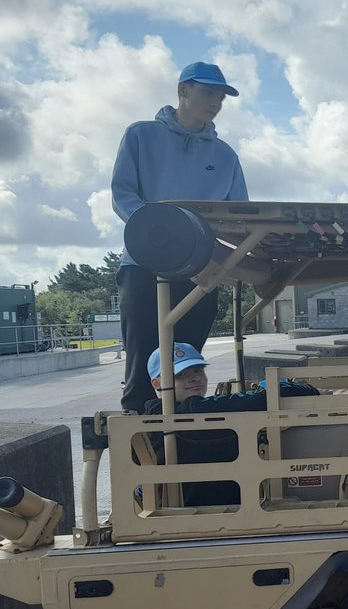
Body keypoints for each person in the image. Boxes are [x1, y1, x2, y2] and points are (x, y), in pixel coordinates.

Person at [113, 61, 249, 412]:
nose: (215, 101)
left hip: (201, 269)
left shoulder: (225, 155)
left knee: (190, 368)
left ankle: (190, 444)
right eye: (207, 91)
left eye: (221, 95)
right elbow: (123, 195)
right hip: (145, 264)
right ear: (183, 90)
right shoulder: (141, 136)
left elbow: (240, 215)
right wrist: (160, 233)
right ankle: (142, 446)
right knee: (145, 362)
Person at [144, 343, 324, 506]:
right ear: (157, 383)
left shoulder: (151, 414)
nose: (195, 379)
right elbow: (258, 401)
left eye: (198, 371)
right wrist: (308, 389)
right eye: (180, 375)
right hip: (217, 508)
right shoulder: (190, 411)